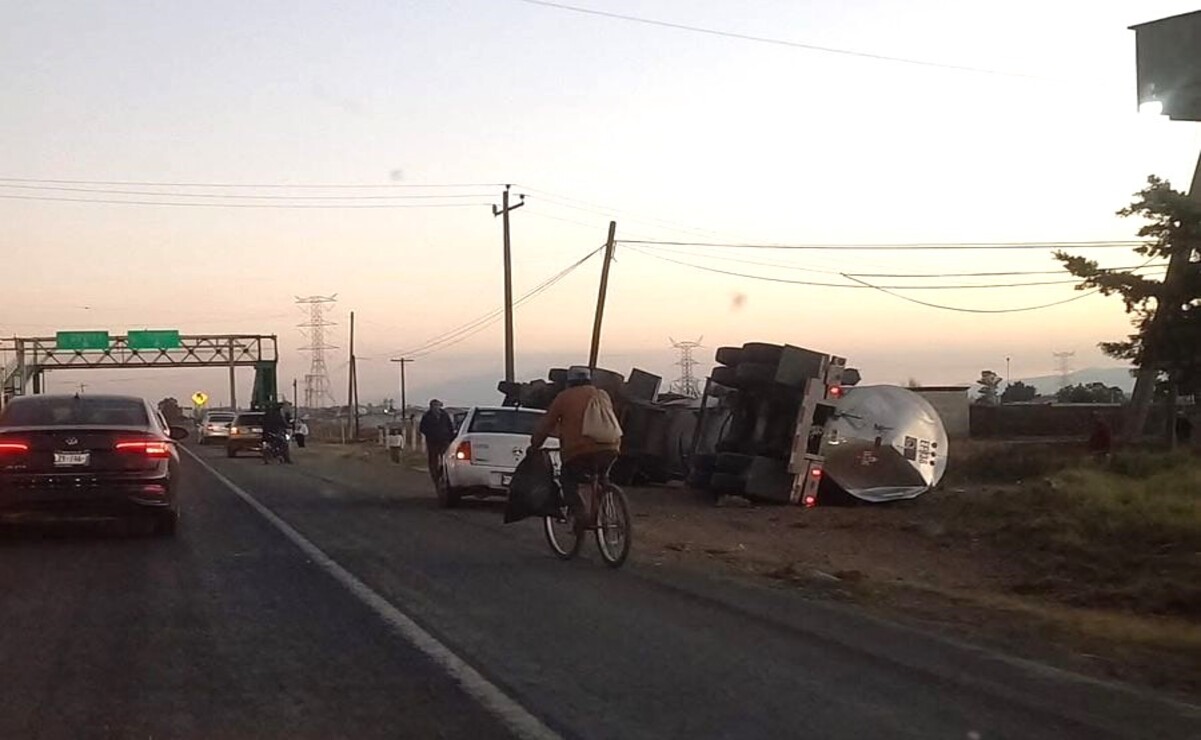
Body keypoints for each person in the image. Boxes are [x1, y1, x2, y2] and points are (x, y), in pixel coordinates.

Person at [529, 366, 622, 531]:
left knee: (568, 479)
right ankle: (604, 505)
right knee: (601, 477)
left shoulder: (564, 397)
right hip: (611, 447)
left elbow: (546, 425)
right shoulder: (602, 395)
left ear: (569, 382)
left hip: (580, 451)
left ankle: (580, 514)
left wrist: (535, 445)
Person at [419, 399, 456, 485]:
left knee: (445, 458)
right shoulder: (427, 416)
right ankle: (435, 477)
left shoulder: (444, 415)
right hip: (432, 441)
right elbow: (422, 428)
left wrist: (450, 437)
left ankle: (444, 475)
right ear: (431, 406)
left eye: (437, 405)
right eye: (434, 405)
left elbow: (450, 426)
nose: (436, 407)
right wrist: (430, 434)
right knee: (433, 459)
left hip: (444, 440)